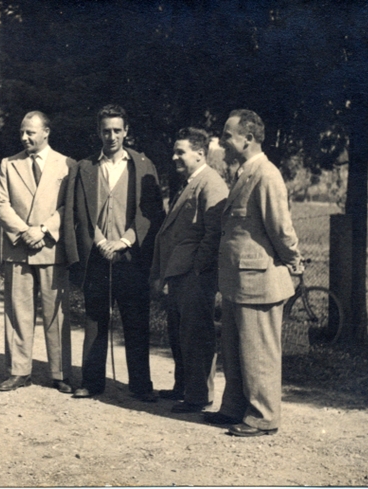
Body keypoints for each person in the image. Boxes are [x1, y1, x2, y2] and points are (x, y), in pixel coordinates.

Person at [205, 109, 303, 436]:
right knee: (236, 351)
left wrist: (295, 264)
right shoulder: (245, 172)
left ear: (248, 138)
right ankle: (234, 408)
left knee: (258, 351)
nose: (222, 140)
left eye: (227, 135)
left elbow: (281, 228)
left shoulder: (267, 174)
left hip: (259, 280)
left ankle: (263, 417)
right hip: (239, 281)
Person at [64, 104, 165, 401]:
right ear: (98, 132)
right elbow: (79, 212)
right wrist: (99, 241)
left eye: (117, 130)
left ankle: (140, 384)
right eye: (106, 130)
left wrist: (125, 241)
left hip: (130, 257)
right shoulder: (85, 168)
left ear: (126, 131)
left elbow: (151, 211)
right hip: (97, 256)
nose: (111, 136)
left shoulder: (142, 165)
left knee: (135, 320)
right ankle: (92, 382)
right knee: (95, 319)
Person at [0, 111, 75, 393]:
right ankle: (19, 371)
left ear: (46, 132)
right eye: (22, 132)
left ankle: (60, 373)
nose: (24, 137)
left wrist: (42, 229)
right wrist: (24, 232)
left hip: (51, 247)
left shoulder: (67, 164)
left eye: (30, 132)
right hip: (18, 248)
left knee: (57, 313)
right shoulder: (9, 164)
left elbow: (69, 206)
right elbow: (1, 204)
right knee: (18, 311)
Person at [149, 128, 228, 411]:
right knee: (180, 333)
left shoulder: (211, 183)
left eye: (180, 152)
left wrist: (197, 269)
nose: (174, 157)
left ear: (200, 153)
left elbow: (214, 232)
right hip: (180, 274)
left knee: (196, 335)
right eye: (175, 151)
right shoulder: (191, 182)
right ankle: (183, 387)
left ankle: (198, 396)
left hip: (195, 276)